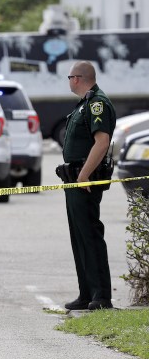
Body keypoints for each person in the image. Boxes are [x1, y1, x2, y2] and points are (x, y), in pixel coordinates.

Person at [61, 61, 116, 311]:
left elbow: (101, 142)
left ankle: (101, 296)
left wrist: (84, 175)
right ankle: (86, 293)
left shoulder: (97, 104)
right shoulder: (85, 104)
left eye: (70, 77)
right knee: (79, 238)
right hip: (74, 180)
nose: (69, 81)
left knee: (90, 236)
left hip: (85, 181)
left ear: (77, 78)